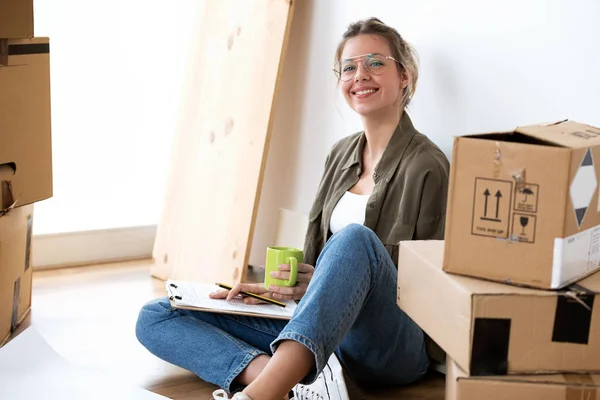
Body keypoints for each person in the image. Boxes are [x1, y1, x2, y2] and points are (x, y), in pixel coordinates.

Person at [135, 17, 449, 400]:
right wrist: (273, 293)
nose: (360, 75)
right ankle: (284, 377)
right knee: (158, 314)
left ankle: (263, 393)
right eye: (349, 67)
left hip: (390, 345)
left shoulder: (427, 164)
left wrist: (326, 279)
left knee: (355, 240)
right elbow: (320, 270)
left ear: (405, 75)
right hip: (324, 334)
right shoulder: (341, 154)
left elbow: (431, 285)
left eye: (375, 62)